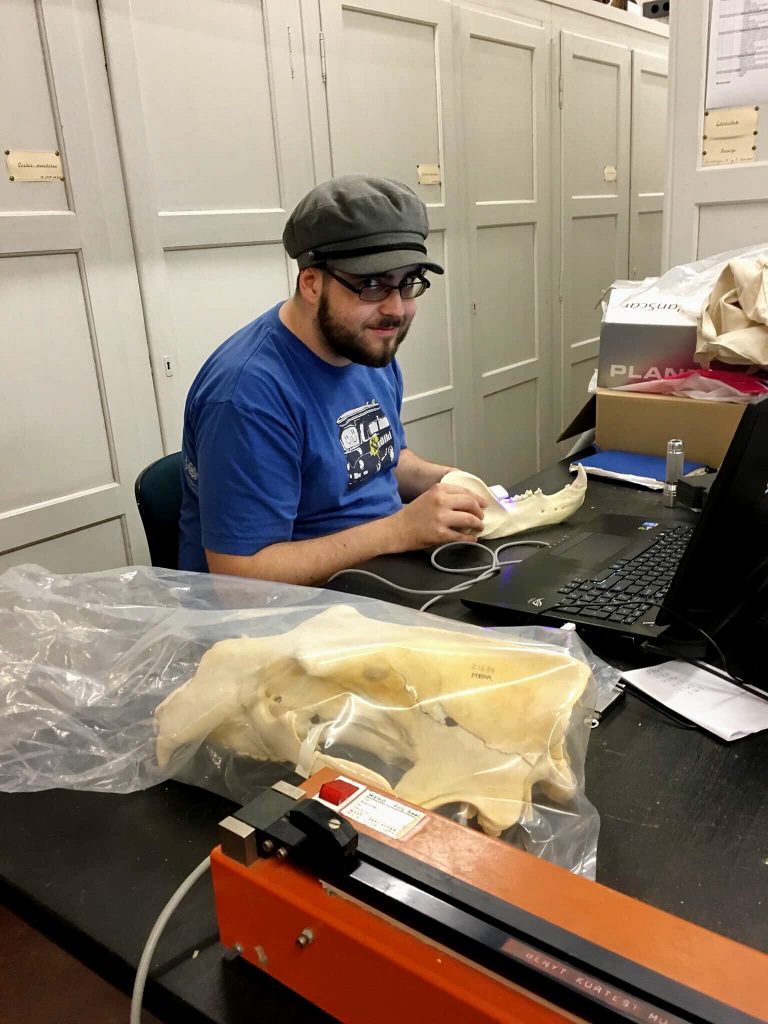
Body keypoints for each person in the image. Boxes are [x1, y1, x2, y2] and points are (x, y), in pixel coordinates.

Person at [178, 175, 486, 583]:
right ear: (311, 283)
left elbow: (378, 462)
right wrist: (399, 530)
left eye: (407, 282)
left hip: (378, 577)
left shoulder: (365, 345)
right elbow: (240, 580)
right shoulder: (248, 395)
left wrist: (449, 483)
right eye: (371, 285)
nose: (395, 309)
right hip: (283, 621)